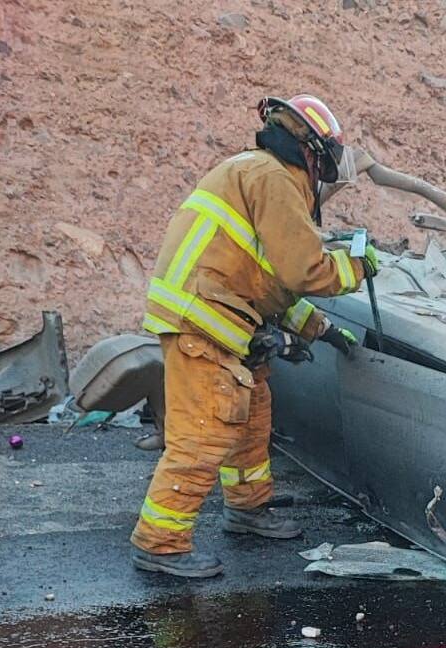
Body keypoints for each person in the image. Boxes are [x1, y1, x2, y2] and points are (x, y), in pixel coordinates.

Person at [131, 94, 380, 578]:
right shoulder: (274, 179)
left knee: (251, 412)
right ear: (311, 152)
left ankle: (248, 507)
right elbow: (307, 270)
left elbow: (273, 284)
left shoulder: (258, 175)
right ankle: (160, 542)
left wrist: (325, 332)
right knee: (204, 434)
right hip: (202, 320)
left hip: (216, 312)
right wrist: (359, 266)